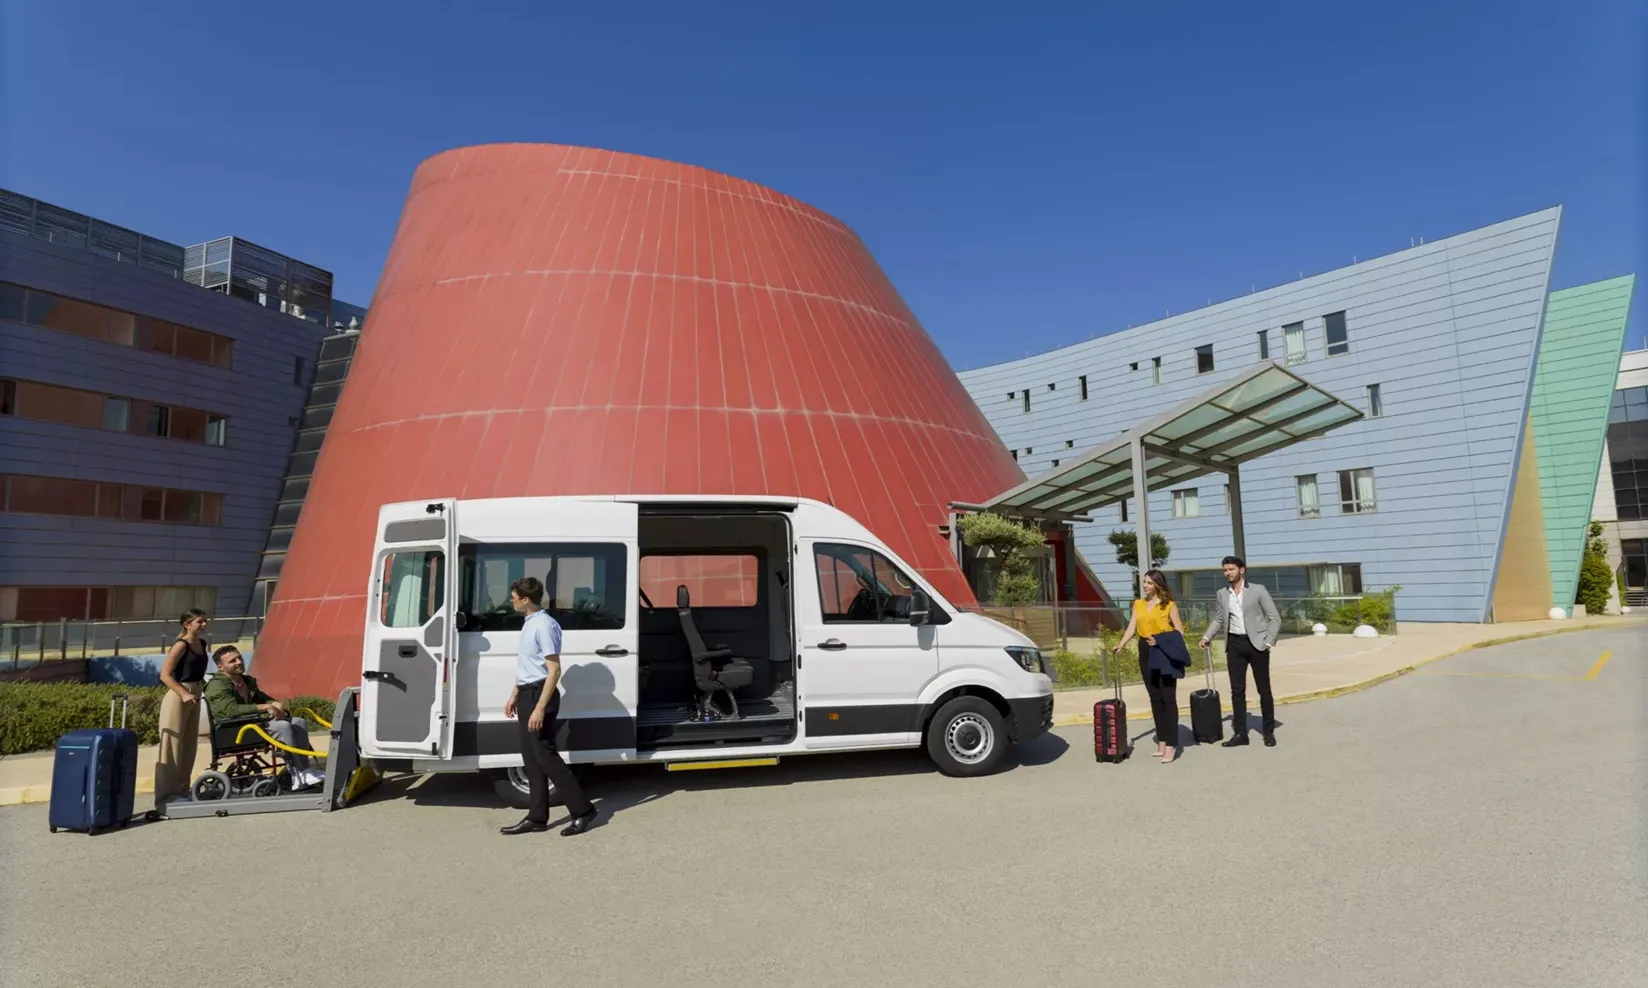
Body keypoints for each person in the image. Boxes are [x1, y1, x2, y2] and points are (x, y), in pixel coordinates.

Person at [500, 576, 598, 836]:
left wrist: (539, 708)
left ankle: (583, 810)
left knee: (546, 758)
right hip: (527, 694)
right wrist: (514, 694)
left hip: (540, 697)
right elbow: (527, 667)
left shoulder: (544, 625)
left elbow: (553, 669)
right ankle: (537, 817)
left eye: (513, 597)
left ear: (525, 599)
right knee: (531, 760)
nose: (511, 601)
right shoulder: (529, 622)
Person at [203, 646, 326, 790]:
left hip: (251, 724)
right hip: (232, 730)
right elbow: (229, 711)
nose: (239, 662)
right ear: (220, 667)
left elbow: (261, 698)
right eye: (232, 661)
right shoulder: (217, 686)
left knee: (299, 722)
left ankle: (304, 770)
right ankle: (296, 774)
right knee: (283, 726)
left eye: (239, 658)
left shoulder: (246, 681)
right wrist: (264, 708)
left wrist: (275, 704)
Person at [1199, 555, 1282, 747]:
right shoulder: (1222, 593)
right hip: (1235, 644)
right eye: (1225, 570)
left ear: (1241, 570)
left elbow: (1274, 618)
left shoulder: (1258, 590)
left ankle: (1268, 731)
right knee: (1237, 691)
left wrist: (1268, 642)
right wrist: (1206, 637)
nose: (1228, 573)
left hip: (1257, 644)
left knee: (1264, 689)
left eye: (1231, 569)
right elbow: (1219, 619)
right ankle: (1241, 733)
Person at [1112, 569, 1189, 764]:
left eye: (1149, 583)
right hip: (1145, 649)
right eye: (1144, 582)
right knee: (1155, 699)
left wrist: (1162, 640)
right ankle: (1162, 742)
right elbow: (1132, 626)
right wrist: (1121, 644)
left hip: (1163, 651)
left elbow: (1180, 632)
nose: (1145, 586)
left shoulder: (1169, 605)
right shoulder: (1138, 604)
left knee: (1168, 699)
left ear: (1158, 585)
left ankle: (1171, 745)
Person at [154, 609, 211, 808]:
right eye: (200, 622)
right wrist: (184, 693)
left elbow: (197, 672)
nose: (204, 625)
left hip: (195, 694)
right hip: (179, 696)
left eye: (205, 621)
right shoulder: (180, 645)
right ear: (187, 624)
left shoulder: (202, 644)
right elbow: (165, 675)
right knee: (172, 746)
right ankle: (166, 795)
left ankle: (182, 789)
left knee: (188, 746)